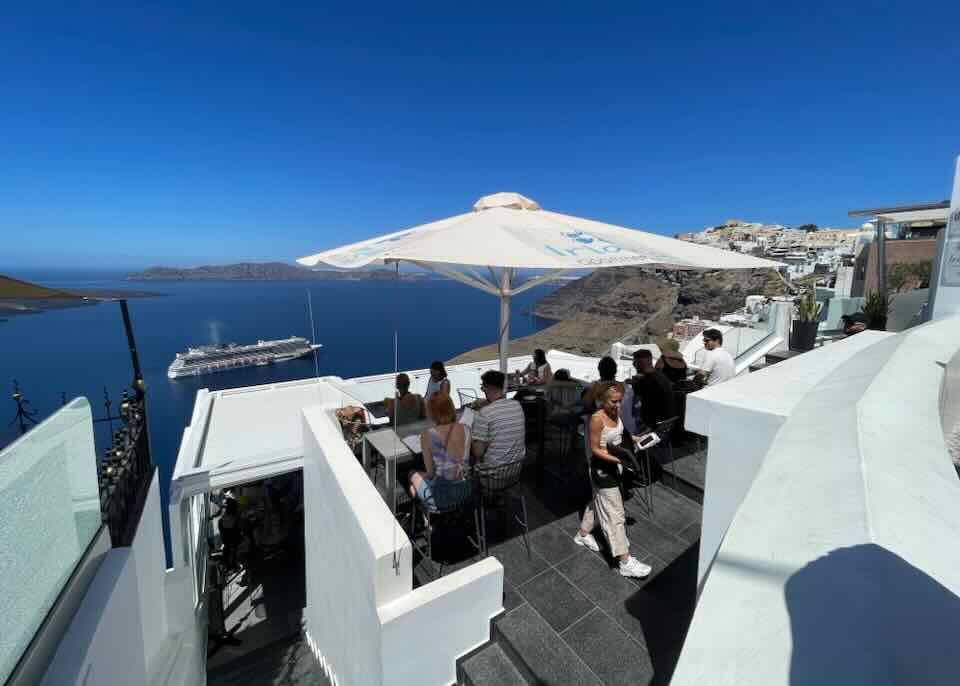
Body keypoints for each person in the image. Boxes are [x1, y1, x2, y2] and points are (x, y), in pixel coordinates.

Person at [573, 384, 651, 578]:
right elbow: (595, 449)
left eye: (620, 401)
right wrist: (619, 459)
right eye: (614, 401)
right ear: (602, 401)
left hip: (615, 467)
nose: (618, 405)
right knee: (615, 514)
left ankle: (582, 534)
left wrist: (636, 439)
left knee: (599, 503)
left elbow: (621, 434)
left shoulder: (615, 413)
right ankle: (625, 562)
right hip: (602, 470)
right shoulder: (597, 419)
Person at [408, 395, 471, 512]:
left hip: (442, 495)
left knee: (412, 474)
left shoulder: (427, 435)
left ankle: (426, 517)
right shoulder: (466, 428)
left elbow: (431, 474)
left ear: (431, 413)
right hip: (465, 490)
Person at [471, 370, 526, 466]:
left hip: (493, 473)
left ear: (485, 388)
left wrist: (471, 430)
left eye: (482, 387)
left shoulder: (484, 413)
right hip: (516, 468)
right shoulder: (517, 405)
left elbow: (478, 453)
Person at [630, 349, 677, 431]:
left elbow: (635, 399)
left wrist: (634, 383)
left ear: (640, 363)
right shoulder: (661, 376)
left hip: (653, 424)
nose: (633, 365)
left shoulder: (645, 381)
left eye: (635, 362)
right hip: (668, 420)